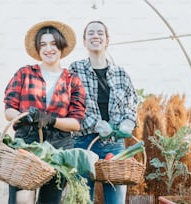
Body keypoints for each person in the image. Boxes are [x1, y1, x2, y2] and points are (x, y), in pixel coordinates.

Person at [3, 20, 86, 204]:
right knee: (21, 199)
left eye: (53, 43)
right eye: (43, 44)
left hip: (59, 147)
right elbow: (9, 109)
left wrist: (51, 120)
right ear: (38, 49)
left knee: (50, 200)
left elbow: (76, 122)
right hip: (27, 143)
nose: (49, 49)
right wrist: (24, 117)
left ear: (61, 46)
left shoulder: (73, 81)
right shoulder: (24, 73)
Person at [69, 20, 138, 204]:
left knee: (115, 201)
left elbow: (132, 103)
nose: (95, 36)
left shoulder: (120, 74)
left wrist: (128, 122)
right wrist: (95, 124)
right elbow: (72, 104)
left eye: (100, 33)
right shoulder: (75, 69)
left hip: (114, 147)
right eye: (90, 33)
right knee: (81, 199)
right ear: (84, 41)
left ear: (107, 40)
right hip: (84, 143)